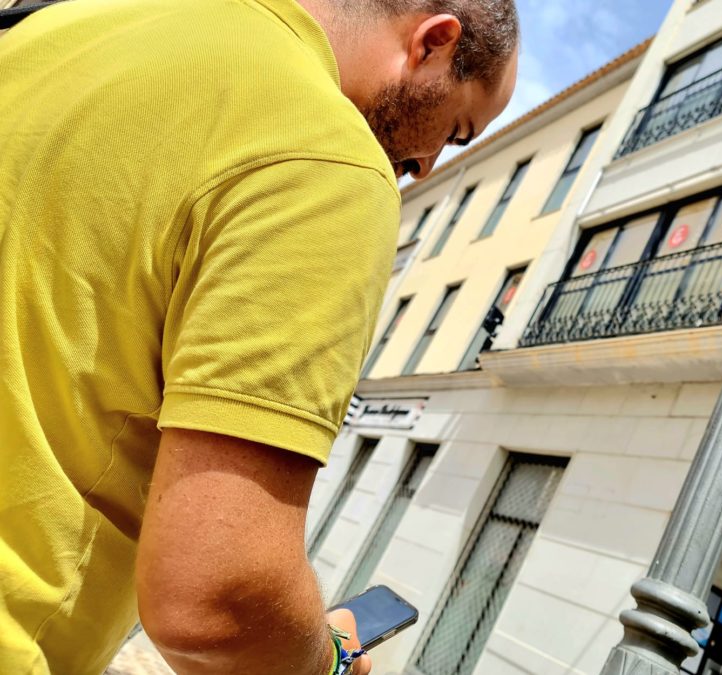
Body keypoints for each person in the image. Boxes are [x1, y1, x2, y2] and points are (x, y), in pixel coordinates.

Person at [0, 0, 517, 671]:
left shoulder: (74, 19)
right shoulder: (331, 159)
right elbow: (216, 600)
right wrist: (326, 659)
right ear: (434, 42)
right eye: (456, 131)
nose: (426, 167)